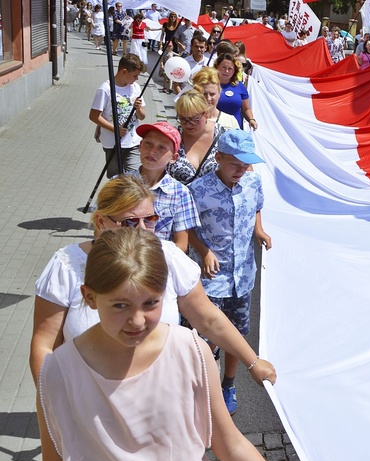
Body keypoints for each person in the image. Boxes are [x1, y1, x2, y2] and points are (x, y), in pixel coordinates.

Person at [36, 226, 345, 461]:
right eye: (120, 305)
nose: (137, 320)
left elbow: (229, 443)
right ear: (89, 297)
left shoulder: (190, 351)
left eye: (150, 303)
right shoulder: (60, 372)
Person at [30, 175, 276, 391]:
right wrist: (51, 402)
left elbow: (208, 318)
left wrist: (252, 361)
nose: (143, 230)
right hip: (84, 398)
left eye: (150, 219)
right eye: (129, 222)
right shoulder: (67, 266)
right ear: (102, 221)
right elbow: (45, 343)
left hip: (158, 393)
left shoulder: (169, 256)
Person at [188, 129, 272, 415]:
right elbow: (186, 227)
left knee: (235, 334)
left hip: (243, 275)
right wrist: (203, 251)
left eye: (246, 163)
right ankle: (204, 386)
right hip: (212, 278)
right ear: (219, 157)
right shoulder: (198, 190)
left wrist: (259, 230)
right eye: (235, 162)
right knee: (207, 337)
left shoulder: (253, 182)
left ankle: (228, 384)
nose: (242, 169)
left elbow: (257, 208)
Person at [129, 121, 200, 251]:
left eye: (161, 147)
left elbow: (181, 245)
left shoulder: (180, 193)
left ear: (173, 157)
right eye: (148, 143)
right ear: (140, 146)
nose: (152, 151)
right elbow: (101, 230)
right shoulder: (119, 184)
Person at [89, 53, 147, 178]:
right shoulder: (106, 89)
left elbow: (142, 116)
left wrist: (138, 108)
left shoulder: (135, 88)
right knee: (115, 179)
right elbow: (94, 116)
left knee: (135, 177)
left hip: (133, 142)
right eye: (135, 76)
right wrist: (115, 130)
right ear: (124, 72)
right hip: (112, 143)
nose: (136, 79)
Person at [167, 90, 224, 185]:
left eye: (194, 119)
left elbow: (245, 170)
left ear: (206, 114)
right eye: (183, 119)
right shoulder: (173, 137)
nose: (188, 124)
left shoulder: (223, 136)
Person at [214, 53, 257, 130]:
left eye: (230, 69)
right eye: (223, 67)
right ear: (217, 67)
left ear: (234, 71)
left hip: (235, 128)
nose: (226, 71)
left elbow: (246, 109)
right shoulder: (209, 85)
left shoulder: (240, 86)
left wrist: (251, 119)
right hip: (215, 127)